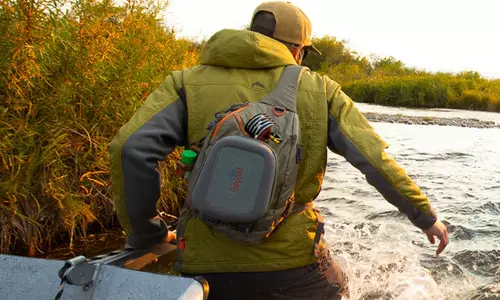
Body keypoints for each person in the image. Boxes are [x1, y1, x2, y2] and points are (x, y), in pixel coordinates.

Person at [109, 1, 449, 299]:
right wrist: (425, 217)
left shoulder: (185, 82)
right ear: (298, 49)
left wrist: (146, 235)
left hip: (205, 269)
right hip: (295, 267)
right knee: (340, 289)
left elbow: (131, 149)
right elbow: (374, 159)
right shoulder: (319, 89)